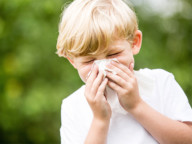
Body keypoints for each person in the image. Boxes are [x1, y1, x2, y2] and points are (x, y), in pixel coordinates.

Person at [56, 0, 192, 143]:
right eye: (89, 61)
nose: (103, 67)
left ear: (134, 42)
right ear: (72, 61)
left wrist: (136, 105)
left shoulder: (159, 82)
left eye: (112, 54)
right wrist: (100, 119)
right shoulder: (73, 106)